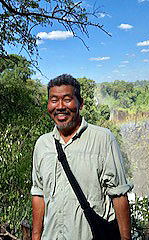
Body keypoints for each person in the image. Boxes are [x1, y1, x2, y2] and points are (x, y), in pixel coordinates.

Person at [31, 74, 133, 240]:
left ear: (81, 103)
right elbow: (38, 193)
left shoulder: (103, 139)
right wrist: (35, 237)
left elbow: (119, 194)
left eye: (67, 99)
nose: (60, 106)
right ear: (48, 104)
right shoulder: (42, 145)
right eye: (54, 100)